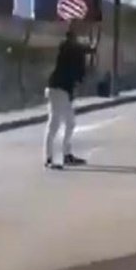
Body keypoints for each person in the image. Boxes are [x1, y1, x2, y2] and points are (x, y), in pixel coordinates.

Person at [43, 27, 93, 170]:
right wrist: (88, 49)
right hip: (58, 89)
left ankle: (66, 154)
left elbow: (80, 53)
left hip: (61, 90)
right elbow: (78, 51)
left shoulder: (71, 50)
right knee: (55, 123)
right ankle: (49, 158)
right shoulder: (67, 48)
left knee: (69, 122)